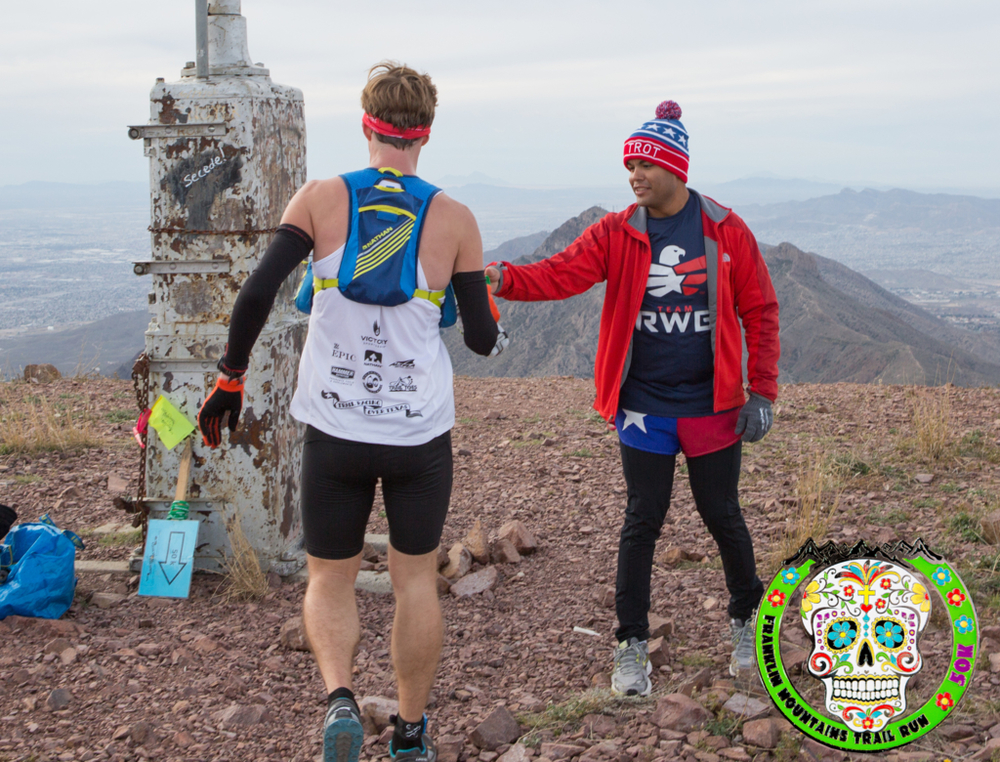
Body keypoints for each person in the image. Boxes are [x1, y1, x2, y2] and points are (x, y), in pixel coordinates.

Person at [198, 61, 506, 762]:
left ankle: (340, 696)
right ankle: (410, 733)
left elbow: (256, 297)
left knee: (329, 579)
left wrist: (231, 381)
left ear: (367, 124)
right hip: (417, 436)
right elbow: (483, 338)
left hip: (333, 431)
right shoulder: (455, 218)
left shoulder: (320, 199)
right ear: (425, 132)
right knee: (413, 583)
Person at [486, 100, 779, 695]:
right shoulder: (617, 232)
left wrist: (762, 391)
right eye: (630, 167)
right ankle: (630, 648)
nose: (633, 176)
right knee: (641, 521)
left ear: (675, 169)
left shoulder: (724, 229)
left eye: (644, 165)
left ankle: (747, 625)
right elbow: (561, 273)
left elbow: (761, 310)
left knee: (723, 516)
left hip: (713, 408)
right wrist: (505, 278)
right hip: (644, 407)